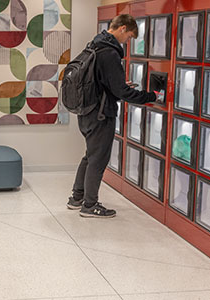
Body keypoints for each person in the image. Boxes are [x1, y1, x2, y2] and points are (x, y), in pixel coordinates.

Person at [67, 14, 156, 218]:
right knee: (98, 159)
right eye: (130, 37)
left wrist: (121, 87)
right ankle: (90, 205)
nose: (128, 41)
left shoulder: (94, 45)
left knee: (90, 155)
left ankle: (77, 198)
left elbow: (106, 84)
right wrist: (150, 96)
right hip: (100, 115)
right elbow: (121, 92)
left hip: (85, 112)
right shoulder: (109, 53)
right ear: (122, 28)